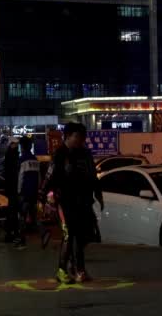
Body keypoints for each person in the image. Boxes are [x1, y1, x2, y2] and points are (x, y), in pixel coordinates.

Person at [40, 122, 103, 284]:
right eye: (77, 136)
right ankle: (62, 270)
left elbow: (92, 176)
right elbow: (49, 178)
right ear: (68, 136)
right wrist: (45, 196)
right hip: (65, 201)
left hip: (83, 201)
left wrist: (98, 195)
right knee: (69, 234)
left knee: (82, 235)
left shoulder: (85, 154)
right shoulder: (60, 155)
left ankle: (78, 269)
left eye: (83, 137)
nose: (81, 140)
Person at [14, 136, 41, 248]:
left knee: (22, 217)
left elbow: (20, 177)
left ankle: (22, 241)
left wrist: (19, 192)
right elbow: (39, 177)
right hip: (34, 193)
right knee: (33, 217)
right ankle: (43, 233)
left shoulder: (22, 160)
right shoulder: (35, 160)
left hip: (25, 193)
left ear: (22, 146)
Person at [3, 137, 21, 243]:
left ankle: (11, 232)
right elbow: (11, 173)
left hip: (12, 187)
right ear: (11, 144)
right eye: (14, 144)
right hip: (13, 187)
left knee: (13, 211)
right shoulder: (12, 155)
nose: (16, 145)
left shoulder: (12, 155)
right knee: (12, 211)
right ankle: (12, 232)